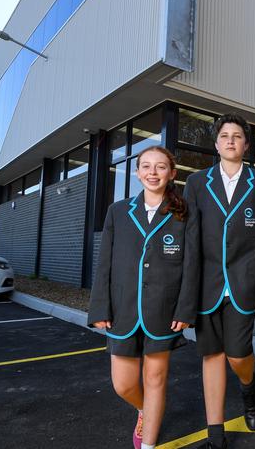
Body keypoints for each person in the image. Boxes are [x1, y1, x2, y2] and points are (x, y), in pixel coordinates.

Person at [88, 145, 199, 449]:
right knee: (123, 384)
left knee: (155, 380)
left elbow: (192, 266)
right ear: (137, 173)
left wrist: (185, 309)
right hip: (123, 309)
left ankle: (148, 443)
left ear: (172, 173)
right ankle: (144, 409)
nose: (153, 172)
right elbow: (105, 264)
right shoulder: (118, 211)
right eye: (146, 166)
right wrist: (100, 306)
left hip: (164, 310)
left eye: (161, 166)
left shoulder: (184, 213)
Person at [183, 113, 255, 449]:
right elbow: (191, 241)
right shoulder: (197, 184)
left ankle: (249, 387)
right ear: (216, 143)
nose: (230, 141)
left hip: (244, 282)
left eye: (237, 136)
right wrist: (186, 293)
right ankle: (216, 432)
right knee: (211, 356)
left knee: (238, 354)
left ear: (246, 144)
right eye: (225, 135)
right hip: (205, 286)